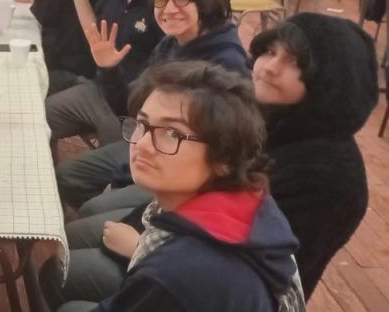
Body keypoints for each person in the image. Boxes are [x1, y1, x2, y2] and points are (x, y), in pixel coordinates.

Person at [53, 61, 305, 312]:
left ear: (224, 159)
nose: (142, 144)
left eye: (173, 133)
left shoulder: (176, 273)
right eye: (142, 124)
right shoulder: (253, 200)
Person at [54, 0, 249, 211]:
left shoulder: (226, 61)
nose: (170, 9)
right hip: (150, 143)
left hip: (184, 171)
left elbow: (222, 146)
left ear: (205, 2)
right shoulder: (171, 44)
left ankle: (128, 223)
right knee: (67, 176)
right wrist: (108, 69)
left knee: (94, 210)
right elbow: (132, 108)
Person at [250, 12, 375, 299]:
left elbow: (255, 275)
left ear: (329, 81)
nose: (270, 68)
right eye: (270, 52)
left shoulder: (325, 180)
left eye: (294, 62)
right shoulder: (275, 124)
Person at [45, 0, 174, 148]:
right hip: (98, 90)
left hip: (132, 107)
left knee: (109, 155)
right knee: (38, 120)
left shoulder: (165, 6)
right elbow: (95, 34)